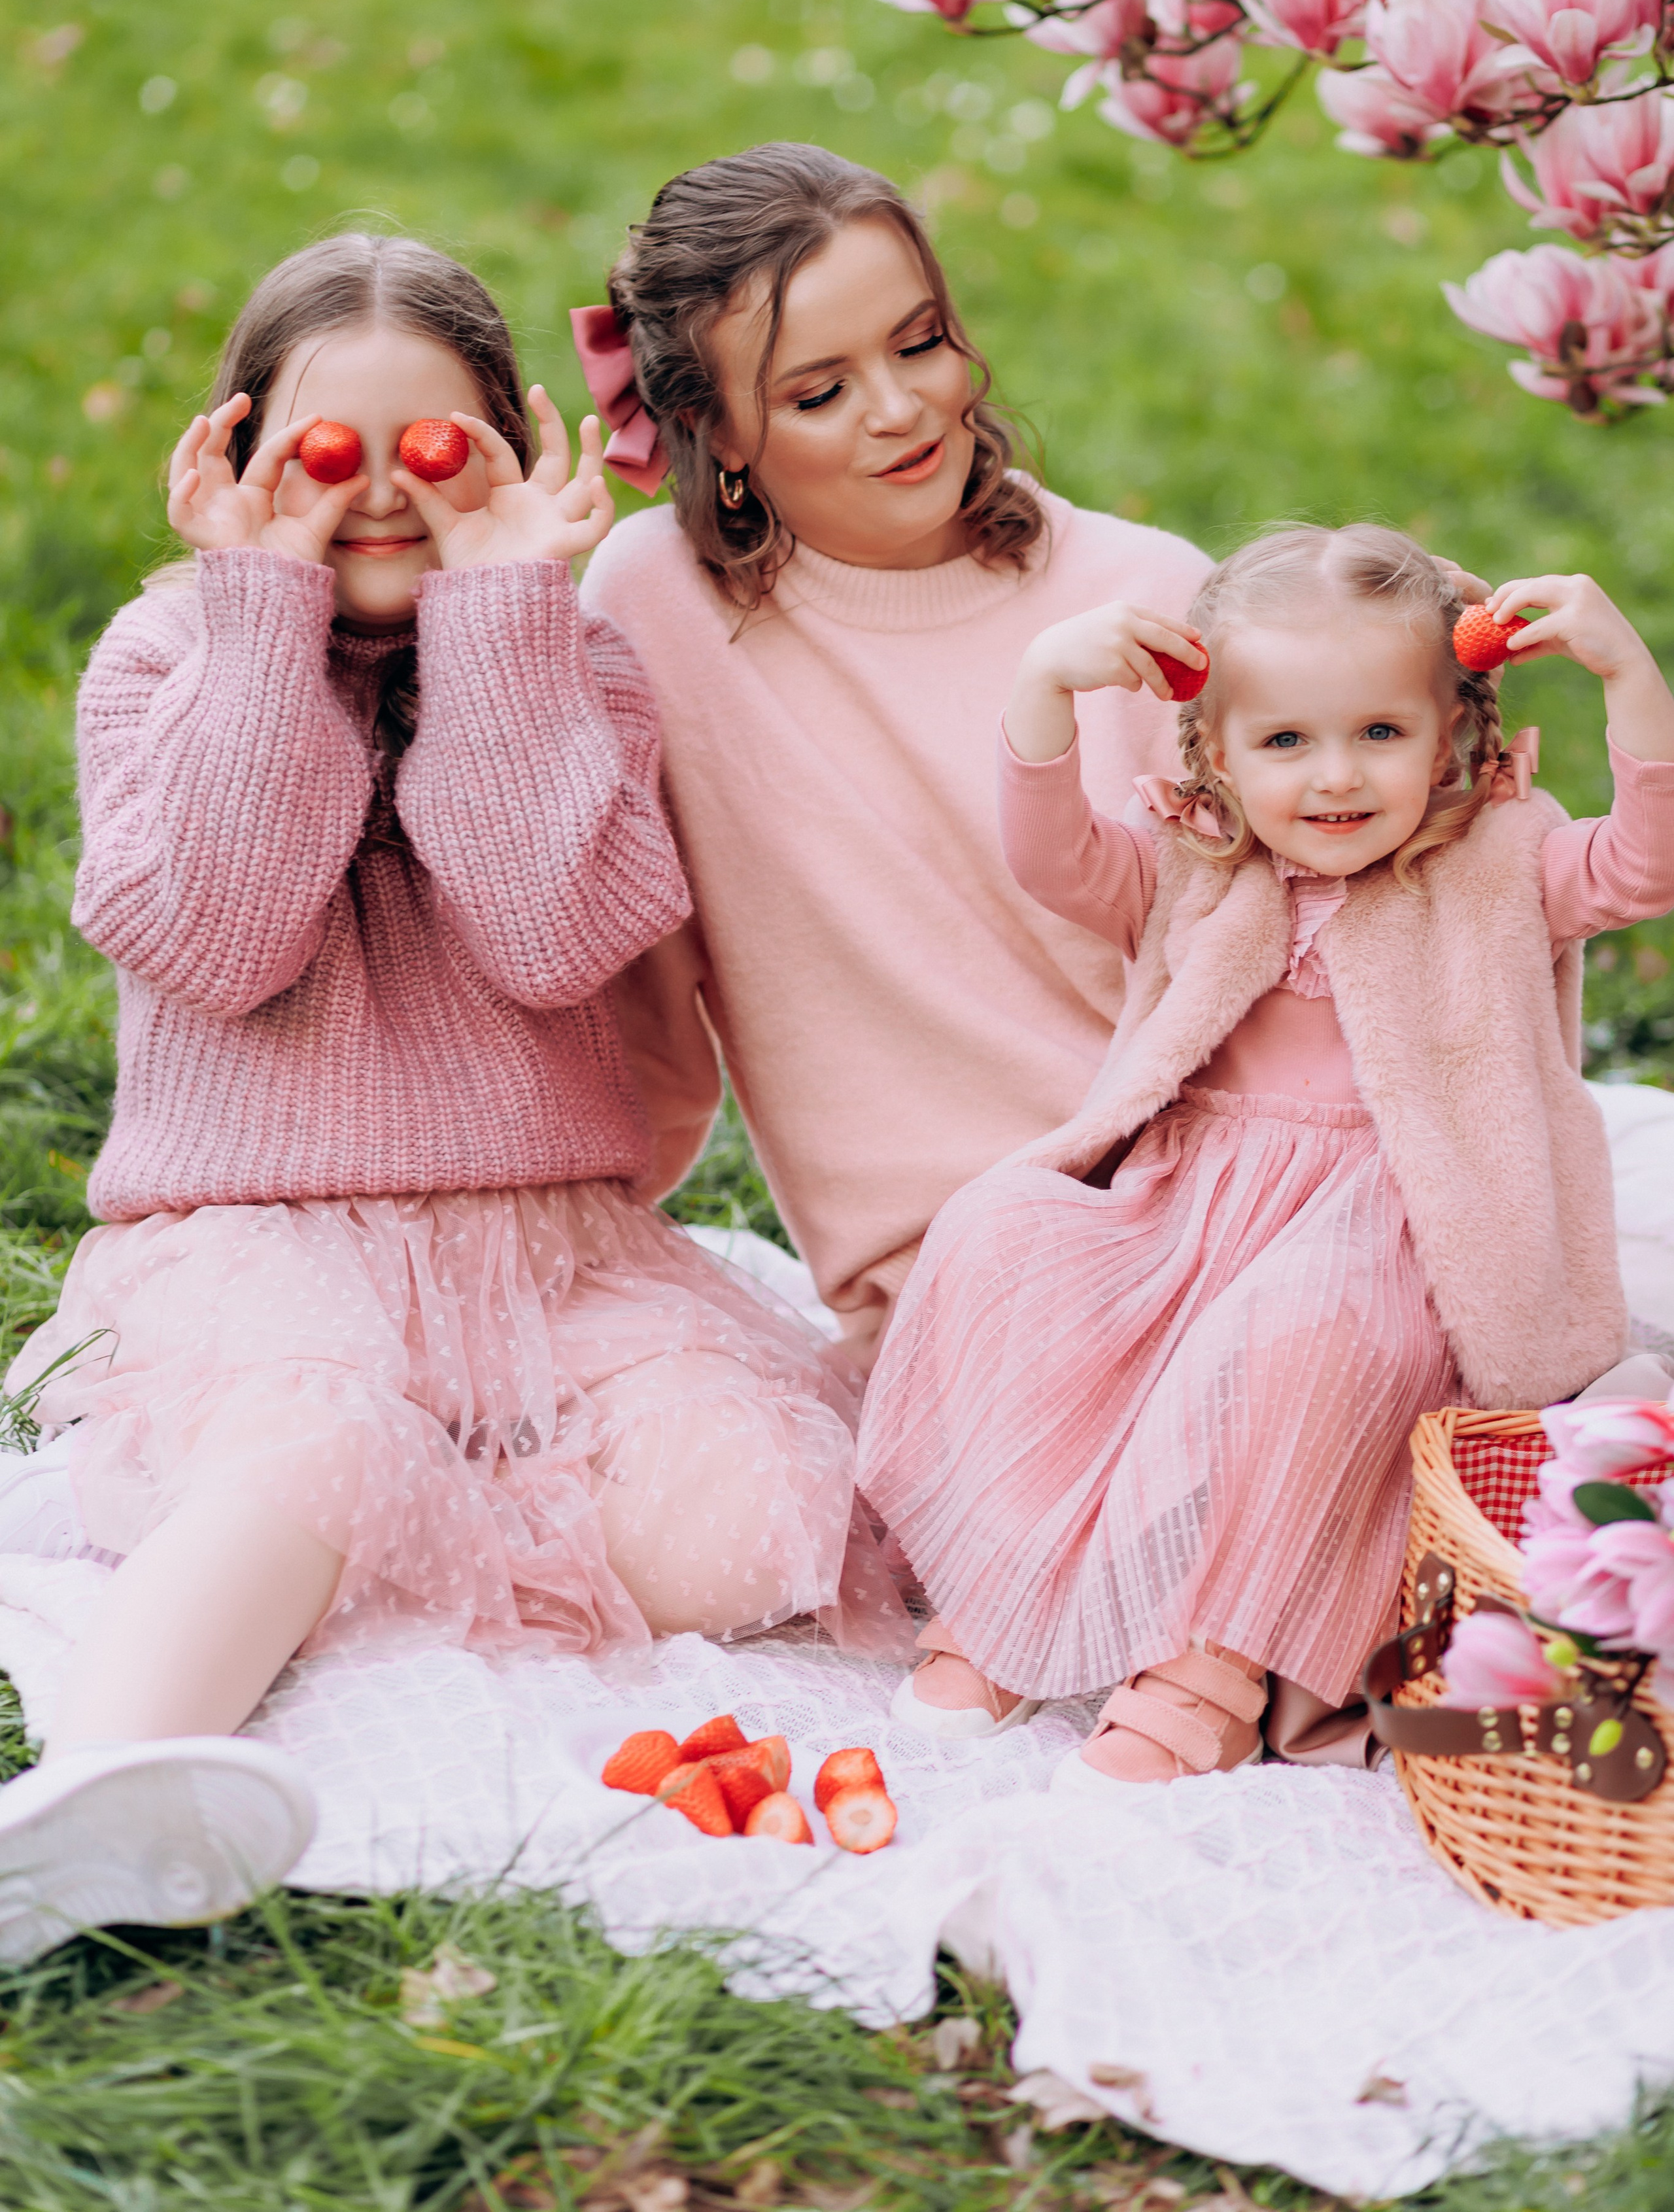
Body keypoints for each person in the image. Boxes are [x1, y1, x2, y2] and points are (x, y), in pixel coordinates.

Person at [0, 232, 902, 1964]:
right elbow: (221, 934)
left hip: (550, 1250)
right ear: (244, 454)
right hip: (260, 1239)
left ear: (514, 447)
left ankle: (383, 1530)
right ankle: (96, 1800)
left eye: (437, 455)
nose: (382, 500)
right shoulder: (163, 658)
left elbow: (550, 933)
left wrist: (502, 619)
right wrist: (262, 614)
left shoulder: (579, 666)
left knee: (754, 1517)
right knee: (313, 1440)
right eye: (329, 458)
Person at [856, 525, 1674, 1788]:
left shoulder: (1500, 862)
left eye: (1381, 734)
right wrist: (1043, 693)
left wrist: (1630, 678)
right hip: (1192, 1197)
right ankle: (1011, 1591)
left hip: (1396, 1214)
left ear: (1452, 736)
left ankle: (1210, 1664)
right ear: (1216, 755)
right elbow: (1052, 861)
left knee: (1297, 1341)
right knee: (1008, 1242)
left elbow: (1644, 866)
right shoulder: (1201, 857)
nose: (1334, 777)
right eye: (1285, 741)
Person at [576, 141, 1209, 1366]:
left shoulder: (1148, 595)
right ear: (717, 434)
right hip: (947, 1291)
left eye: (918, 343)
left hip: (1216, 1213)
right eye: (819, 393)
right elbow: (633, 1007)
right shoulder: (656, 608)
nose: (901, 407)